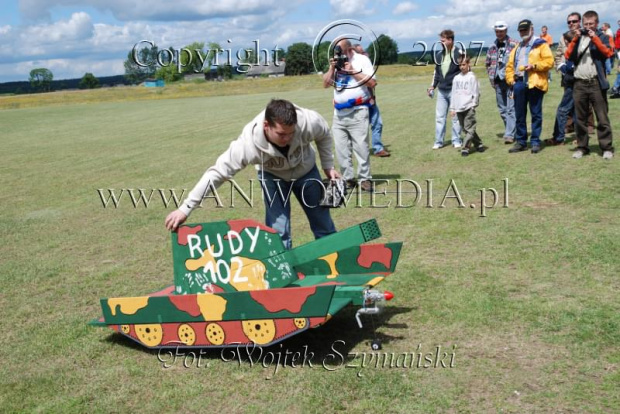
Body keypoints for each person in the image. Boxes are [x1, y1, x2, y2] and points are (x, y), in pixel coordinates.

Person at [164, 99, 339, 249]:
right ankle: (282, 275)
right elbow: (217, 173)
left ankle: (335, 262)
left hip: (306, 171)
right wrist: (185, 208)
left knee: (322, 222)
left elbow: (324, 135)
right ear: (266, 126)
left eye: (291, 133)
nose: (287, 139)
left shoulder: (309, 121)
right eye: (281, 134)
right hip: (272, 176)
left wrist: (328, 166)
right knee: (278, 230)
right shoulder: (246, 146)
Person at [323, 39, 375, 192]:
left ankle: (365, 179)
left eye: (342, 51)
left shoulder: (361, 60)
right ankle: (348, 178)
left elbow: (372, 83)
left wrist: (352, 71)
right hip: (338, 113)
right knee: (341, 149)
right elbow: (326, 84)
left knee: (361, 147)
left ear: (349, 49)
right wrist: (332, 68)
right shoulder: (335, 62)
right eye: (337, 52)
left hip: (358, 110)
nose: (340, 55)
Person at [565, 10, 614, 160]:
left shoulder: (602, 37)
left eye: (591, 24)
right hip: (579, 83)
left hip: (595, 83)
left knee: (602, 117)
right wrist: (575, 39)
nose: (588, 27)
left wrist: (595, 39)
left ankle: (606, 147)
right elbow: (568, 55)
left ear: (597, 24)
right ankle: (582, 147)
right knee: (580, 118)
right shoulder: (578, 38)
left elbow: (608, 53)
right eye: (585, 24)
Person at [506, 19, 553, 154]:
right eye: (521, 30)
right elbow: (509, 67)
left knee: (536, 114)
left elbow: (549, 61)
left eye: (525, 29)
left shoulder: (541, 44)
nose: (523, 32)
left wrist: (534, 66)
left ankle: (535, 142)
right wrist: (511, 81)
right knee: (519, 114)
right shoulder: (517, 48)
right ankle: (521, 142)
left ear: (531, 29)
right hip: (519, 83)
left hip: (535, 83)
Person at [546, 13, 580, 146]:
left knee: (567, 109)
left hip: (581, 79)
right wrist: (562, 68)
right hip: (569, 78)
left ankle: (560, 138)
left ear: (579, 21)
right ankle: (570, 137)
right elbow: (558, 55)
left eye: (574, 21)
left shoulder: (586, 37)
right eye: (569, 22)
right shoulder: (563, 37)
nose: (571, 24)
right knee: (573, 109)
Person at [427, 29, 463, 149]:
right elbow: (437, 73)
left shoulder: (459, 53)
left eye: (443, 41)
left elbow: (465, 71)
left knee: (455, 117)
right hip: (442, 91)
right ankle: (438, 142)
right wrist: (433, 86)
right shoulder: (438, 55)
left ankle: (456, 140)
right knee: (440, 117)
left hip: (455, 91)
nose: (441, 43)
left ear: (450, 40)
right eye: (440, 41)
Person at [353, 44, 390, 157]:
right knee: (359, 128)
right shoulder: (354, 68)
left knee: (377, 123)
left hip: (370, 100)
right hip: (360, 102)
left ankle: (378, 149)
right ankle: (356, 150)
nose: (364, 54)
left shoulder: (366, 65)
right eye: (361, 52)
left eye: (364, 52)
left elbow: (372, 84)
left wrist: (372, 97)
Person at [485, 20, 518, 144]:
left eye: (501, 31)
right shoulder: (492, 46)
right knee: (502, 109)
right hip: (498, 82)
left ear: (506, 31)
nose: (499, 33)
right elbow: (487, 63)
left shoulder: (515, 44)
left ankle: (509, 134)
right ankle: (511, 131)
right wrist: (491, 77)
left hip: (510, 81)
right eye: (497, 31)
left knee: (511, 108)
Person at [450, 56, 485, 156]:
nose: (461, 67)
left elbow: (476, 92)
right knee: (466, 129)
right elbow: (453, 94)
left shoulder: (472, 77)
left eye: (464, 64)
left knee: (469, 128)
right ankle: (478, 144)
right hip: (458, 108)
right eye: (460, 65)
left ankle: (465, 148)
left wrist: (474, 105)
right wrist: (452, 108)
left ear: (468, 64)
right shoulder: (456, 78)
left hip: (469, 107)